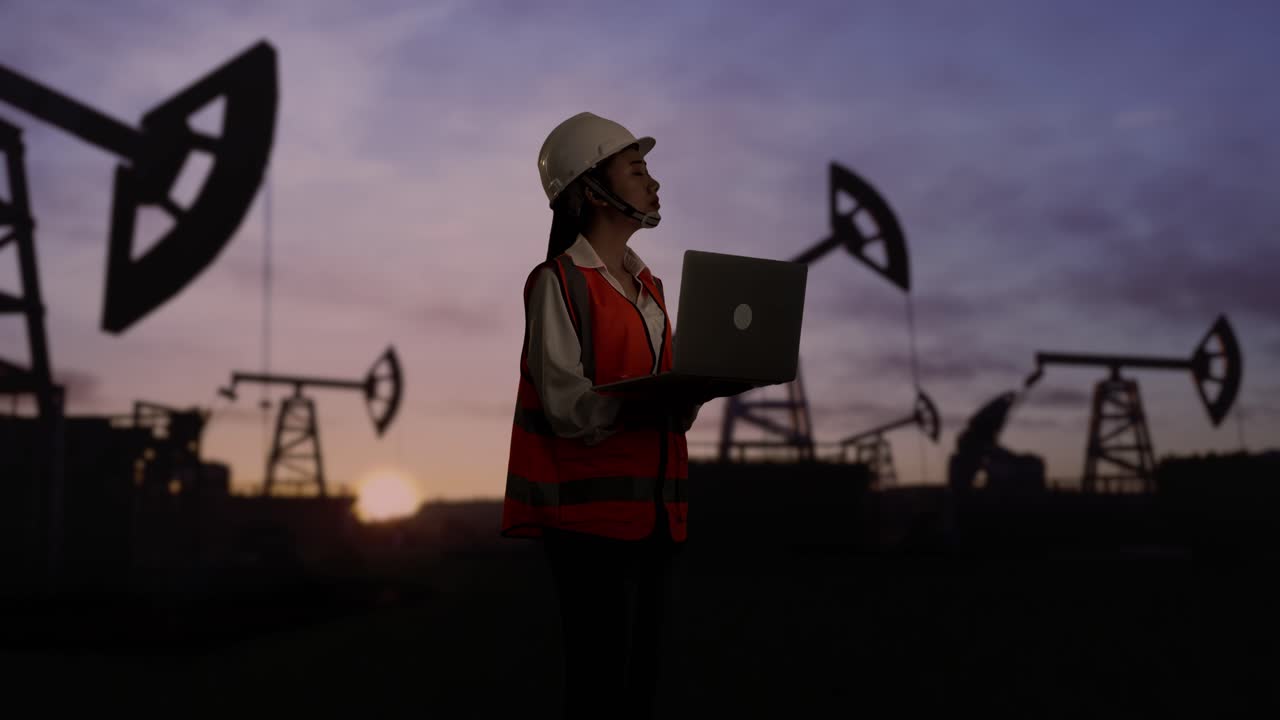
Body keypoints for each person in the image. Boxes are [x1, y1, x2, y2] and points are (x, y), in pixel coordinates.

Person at [501, 111, 706, 720]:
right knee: (597, 690)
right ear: (589, 190)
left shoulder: (653, 291)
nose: (655, 184)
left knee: (640, 691)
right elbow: (568, 411)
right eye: (638, 170)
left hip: (655, 519)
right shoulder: (555, 283)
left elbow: (668, 414)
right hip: (589, 528)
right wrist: (652, 396)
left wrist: (693, 390)